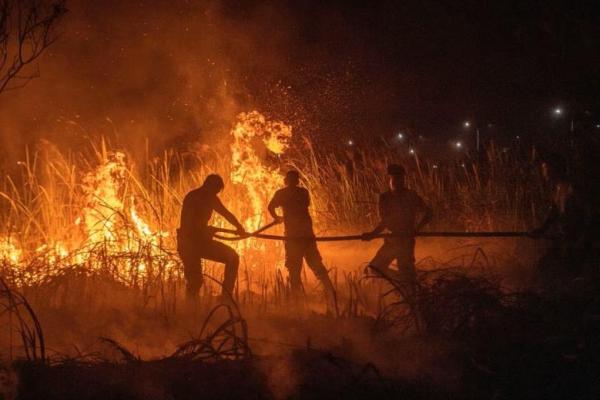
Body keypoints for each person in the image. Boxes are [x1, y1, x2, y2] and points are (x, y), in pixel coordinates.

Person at [268, 170, 336, 306]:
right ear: (297, 181)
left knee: (294, 268)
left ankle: (296, 301)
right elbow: (303, 206)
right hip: (306, 235)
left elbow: (270, 207)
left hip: (293, 236)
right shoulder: (303, 192)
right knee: (316, 264)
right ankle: (331, 294)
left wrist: (277, 218)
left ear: (286, 180)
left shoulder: (281, 193)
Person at [177, 174, 246, 304]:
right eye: (216, 190)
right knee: (195, 281)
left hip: (201, 242)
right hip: (188, 243)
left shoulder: (211, 198)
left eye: (218, 191)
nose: (216, 193)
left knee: (232, 258)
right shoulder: (193, 197)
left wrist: (239, 227)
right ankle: (190, 309)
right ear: (208, 185)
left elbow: (225, 213)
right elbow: (189, 223)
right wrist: (206, 229)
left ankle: (226, 298)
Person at [362, 164, 432, 283]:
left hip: (406, 240)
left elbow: (429, 213)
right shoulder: (384, 198)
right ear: (389, 179)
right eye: (394, 178)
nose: (397, 181)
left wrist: (417, 229)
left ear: (403, 179)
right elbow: (385, 221)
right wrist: (372, 234)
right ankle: (404, 281)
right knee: (375, 269)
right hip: (391, 239)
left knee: (405, 271)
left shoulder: (411, 196)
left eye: (400, 178)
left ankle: (408, 284)